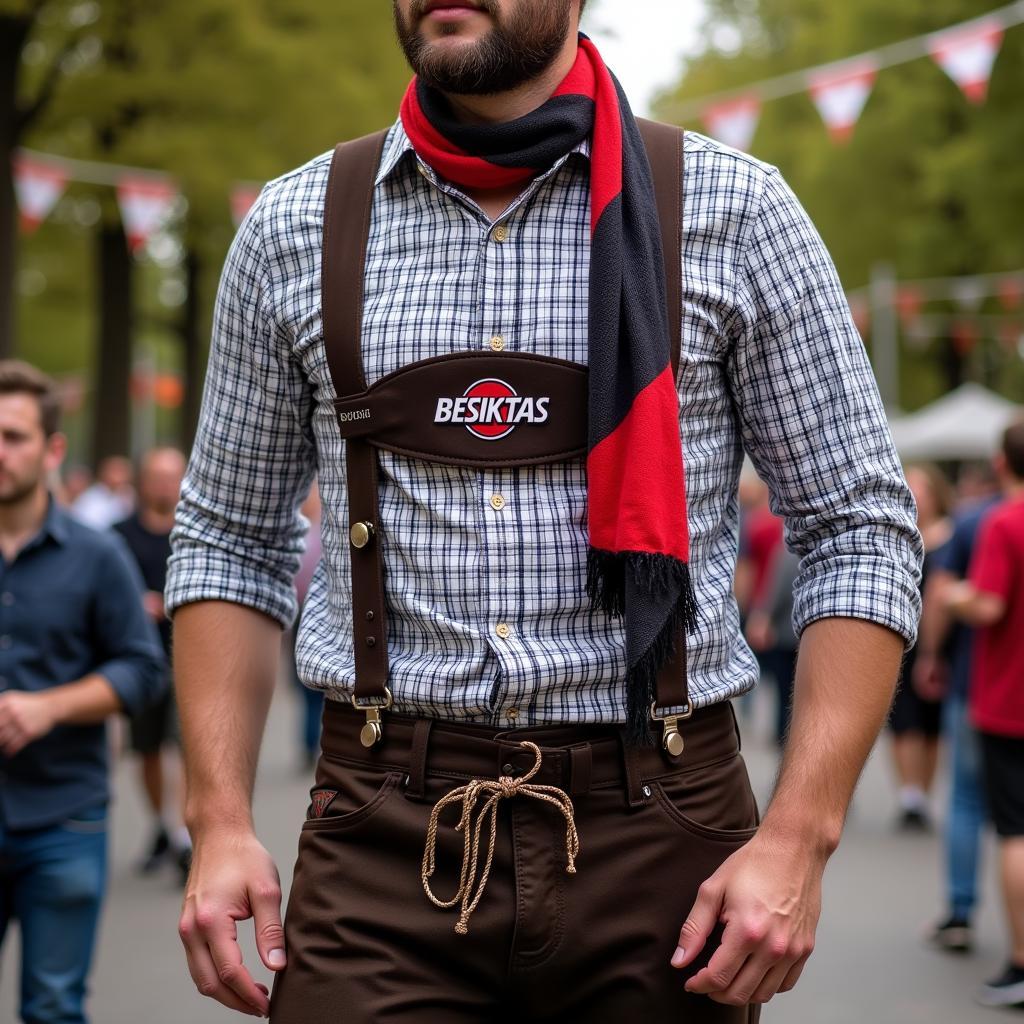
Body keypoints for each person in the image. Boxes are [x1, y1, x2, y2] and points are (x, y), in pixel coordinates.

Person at [166, 3, 922, 1019]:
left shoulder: (737, 210)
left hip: (662, 827)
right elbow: (229, 538)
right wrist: (216, 819)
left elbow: (856, 529)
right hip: (382, 827)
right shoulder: (295, 224)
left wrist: (802, 832)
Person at [0, 361, 166, 1024]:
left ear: (53, 448)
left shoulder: (98, 556)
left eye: (13, 437)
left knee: (53, 1007)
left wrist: (49, 706)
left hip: (63, 817)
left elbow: (142, 667)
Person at [946, 420, 1024, 1009]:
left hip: (1007, 700)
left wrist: (952, 596)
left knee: (1014, 831)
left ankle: (1022, 962)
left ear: (1002, 464)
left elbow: (991, 604)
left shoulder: (1004, 522)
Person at [916, 473, 999, 953]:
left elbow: (941, 595)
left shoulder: (975, 523)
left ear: (1000, 465)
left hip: (979, 685)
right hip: (985, 691)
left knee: (967, 801)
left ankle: (960, 912)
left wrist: (930, 655)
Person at [113, 447, 192, 882]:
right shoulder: (118, 535)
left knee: (185, 749)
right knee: (146, 752)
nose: (164, 484)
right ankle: (161, 826)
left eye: (171, 476)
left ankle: (183, 836)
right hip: (138, 660)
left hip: (188, 658)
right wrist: (132, 605)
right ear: (143, 483)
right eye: (156, 476)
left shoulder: (192, 531)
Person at [887, 464, 953, 830]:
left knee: (932, 722)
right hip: (904, 638)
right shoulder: (902, 534)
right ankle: (910, 793)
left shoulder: (950, 536)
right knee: (903, 719)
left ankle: (925, 792)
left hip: (942, 644)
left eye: (920, 487)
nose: (914, 494)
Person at [285, 480, 324, 772]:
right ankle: (313, 744)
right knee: (309, 690)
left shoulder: (317, 535)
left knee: (314, 688)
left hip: (314, 612)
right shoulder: (305, 535)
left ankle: (315, 745)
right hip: (306, 612)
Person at [70, 454, 135, 530]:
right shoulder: (90, 498)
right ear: (104, 473)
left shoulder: (129, 495)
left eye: (123, 471)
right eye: (115, 471)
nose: (119, 476)